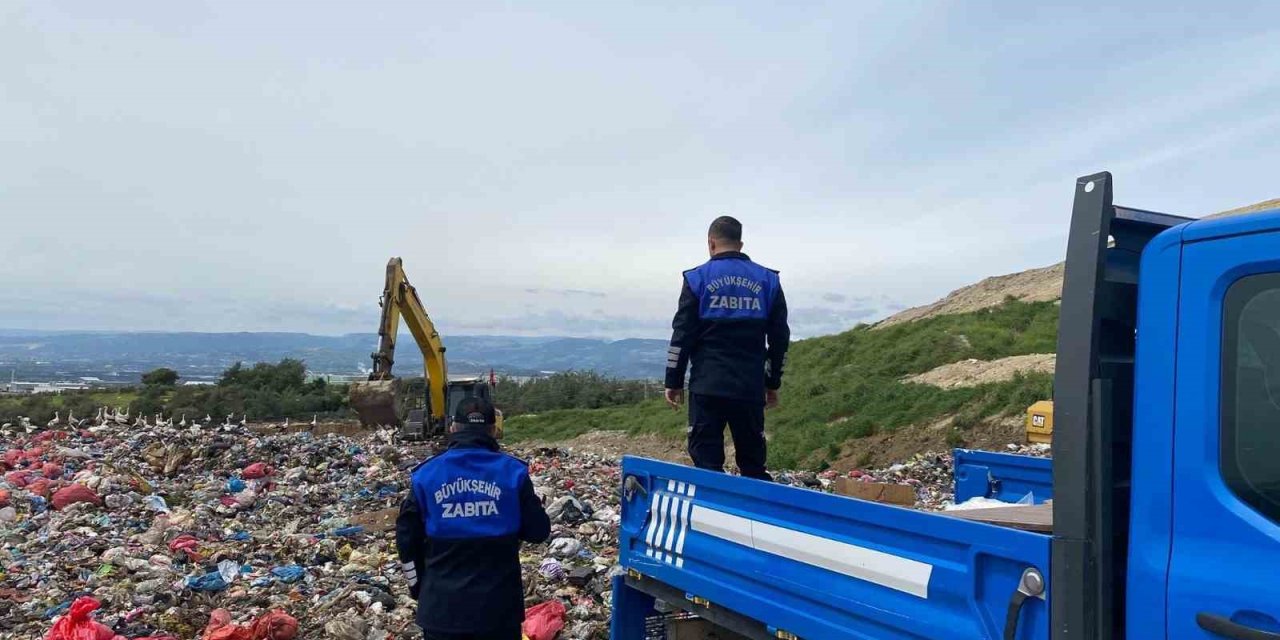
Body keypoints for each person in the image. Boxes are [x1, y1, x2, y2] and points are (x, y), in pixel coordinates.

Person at [395, 396, 550, 640]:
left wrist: (417, 588)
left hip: (441, 611)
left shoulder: (426, 475)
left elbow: (406, 539)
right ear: (493, 430)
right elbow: (538, 532)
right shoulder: (514, 472)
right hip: (498, 612)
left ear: (453, 428)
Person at [664, 215, 791, 481]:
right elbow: (779, 338)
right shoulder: (768, 281)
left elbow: (682, 335)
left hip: (707, 386)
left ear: (711, 243)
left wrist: (673, 381)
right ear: (740, 244)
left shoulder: (697, 279)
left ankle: (713, 516)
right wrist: (772, 383)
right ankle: (756, 516)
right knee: (753, 464)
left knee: (707, 465)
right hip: (749, 387)